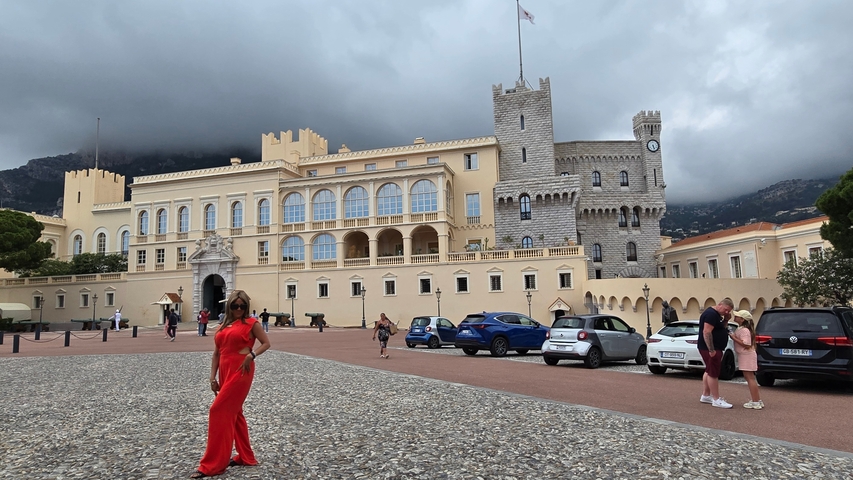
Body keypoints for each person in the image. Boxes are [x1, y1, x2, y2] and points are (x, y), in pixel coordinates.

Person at [190, 290, 271, 478]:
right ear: (229, 306)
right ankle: (246, 456)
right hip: (225, 370)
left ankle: (213, 465)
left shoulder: (252, 323)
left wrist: (251, 356)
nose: (239, 309)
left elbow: (266, 343)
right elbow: (217, 353)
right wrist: (212, 377)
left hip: (242, 370)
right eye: (236, 306)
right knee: (236, 413)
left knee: (217, 410)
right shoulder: (222, 326)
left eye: (243, 306)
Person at [697, 298, 735, 408]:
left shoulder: (716, 315)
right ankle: (716, 399)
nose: (727, 312)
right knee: (713, 373)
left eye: (729, 311)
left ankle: (706, 395)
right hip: (712, 348)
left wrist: (726, 320)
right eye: (726, 310)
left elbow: (718, 328)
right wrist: (711, 350)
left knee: (709, 370)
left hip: (713, 347)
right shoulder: (711, 314)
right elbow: (706, 332)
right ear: (720, 305)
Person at [730, 310, 763, 409]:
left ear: (742, 319)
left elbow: (746, 343)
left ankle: (756, 401)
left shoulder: (744, 330)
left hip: (746, 355)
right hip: (745, 355)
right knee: (749, 377)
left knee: (750, 378)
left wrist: (733, 337)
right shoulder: (743, 329)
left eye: (737, 316)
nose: (735, 317)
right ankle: (756, 399)